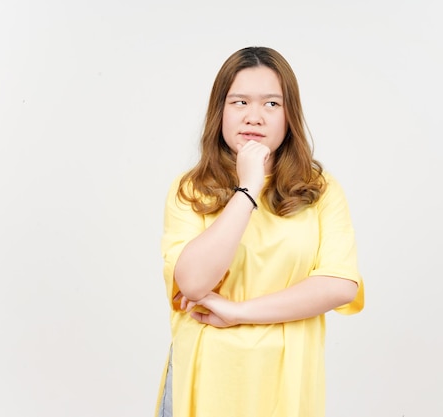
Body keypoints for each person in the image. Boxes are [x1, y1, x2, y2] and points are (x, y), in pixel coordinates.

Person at [155, 46, 365, 417]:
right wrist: (248, 189)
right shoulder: (191, 189)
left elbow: (338, 284)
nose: (254, 117)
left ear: (290, 116)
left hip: (285, 387)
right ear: (220, 111)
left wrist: (238, 312)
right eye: (239, 102)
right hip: (205, 385)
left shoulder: (320, 190)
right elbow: (192, 282)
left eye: (271, 104)